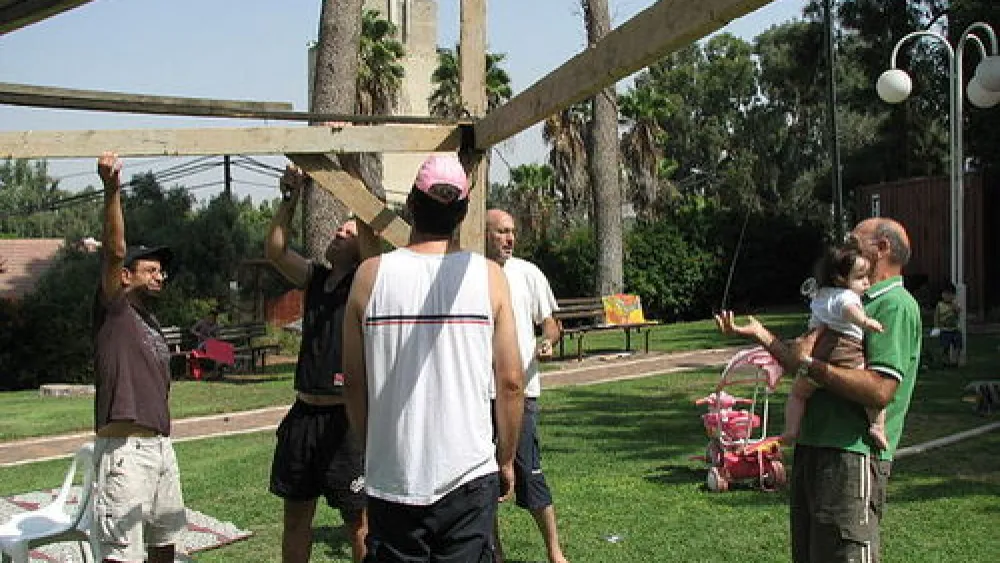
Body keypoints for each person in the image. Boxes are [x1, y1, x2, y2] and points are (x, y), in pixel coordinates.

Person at [343, 154, 525, 562]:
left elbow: (353, 382)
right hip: (468, 476)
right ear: (463, 213)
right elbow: (511, 381)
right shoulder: (490, 278)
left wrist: (375, 444)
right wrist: (507, 459)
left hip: (393, 477)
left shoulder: (369, 277)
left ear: (410, 204)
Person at [716, 217, 921, 563]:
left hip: (852, 454)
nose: (846, 249)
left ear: (882, 248)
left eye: (856, 242)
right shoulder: (848, 299)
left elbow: (880, 391)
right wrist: (760, 334)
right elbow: (803, 359)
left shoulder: (894, 304)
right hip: (815, 447)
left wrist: (812, 367)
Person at [265, 165, 367, 563]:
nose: (338, 233)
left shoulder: (366, 281)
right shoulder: (315, 278)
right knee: (295, 522)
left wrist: (346, 170)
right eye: (338, 229)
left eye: (348, 232)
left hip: (346, 421)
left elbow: (372, 238)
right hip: (304, 417)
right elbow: (274, 250)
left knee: (359, 525)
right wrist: (290, 198)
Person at [92, 151, 186, 563]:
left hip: (160, 449)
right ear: (127, 276)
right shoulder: (115, 308)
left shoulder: (149, 320)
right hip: (125, 453)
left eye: (162, 271)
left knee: (164, 545)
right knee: (123, 555)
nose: (160, 275)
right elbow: (114, 251)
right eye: (151, 269)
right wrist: (112, 190)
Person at [484, 209, 569, 563]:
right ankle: (496, 555)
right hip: (477, 395)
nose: (509, 238)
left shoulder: (527, 273)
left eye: (512, 232)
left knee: (530, 475)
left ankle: (555, 553)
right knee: (482, 483)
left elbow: (551, 322)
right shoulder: (470, 273)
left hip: (522, 394)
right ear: (484, 233)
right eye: (502, 232)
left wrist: (548, 340)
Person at [785, 244, 888, 451]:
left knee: (798, 394)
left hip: (817, 353)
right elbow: (849, 311)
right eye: (860, 278)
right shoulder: (848, 296)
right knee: (870, 393)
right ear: (841, 279)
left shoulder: (821, 294)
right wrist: (866, 322)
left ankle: (791, 429)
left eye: (867, 276)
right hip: (845, 350)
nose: (867, 282)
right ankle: (877, 426)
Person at [933, 281, 962, 366]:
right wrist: (936, 327)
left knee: (958, 345)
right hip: (945, 330)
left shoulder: (954, 304)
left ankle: (955, 361)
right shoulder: (940, 305)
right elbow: (936, 316)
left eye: (950, 294)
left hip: (954, 329)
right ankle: (945, 361)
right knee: (944, 347)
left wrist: (955, 307)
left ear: (954, 295)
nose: (948, 296)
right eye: (946, 294)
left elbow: (958, 312)